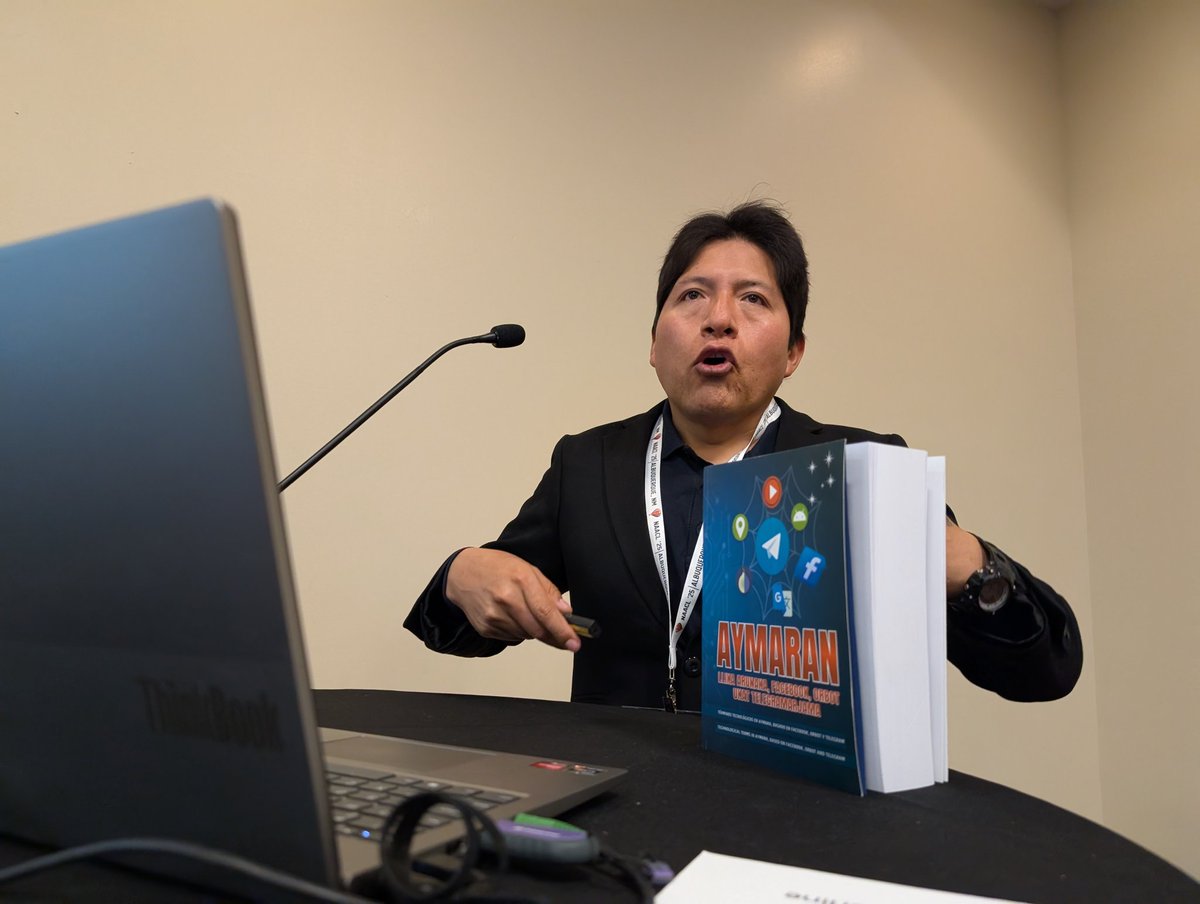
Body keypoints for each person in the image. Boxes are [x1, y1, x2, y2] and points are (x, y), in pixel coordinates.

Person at [405, 202, 1082, 711]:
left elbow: (1042, 672)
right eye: (692, 296)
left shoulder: (859, 467)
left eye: (753, 299)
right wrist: (461, 574)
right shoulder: (588, 465)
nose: (719, 318)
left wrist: (970, 568)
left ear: (793, 353)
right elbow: (470, 626)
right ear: (654, 344)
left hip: (795, 818)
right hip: (621, 805)